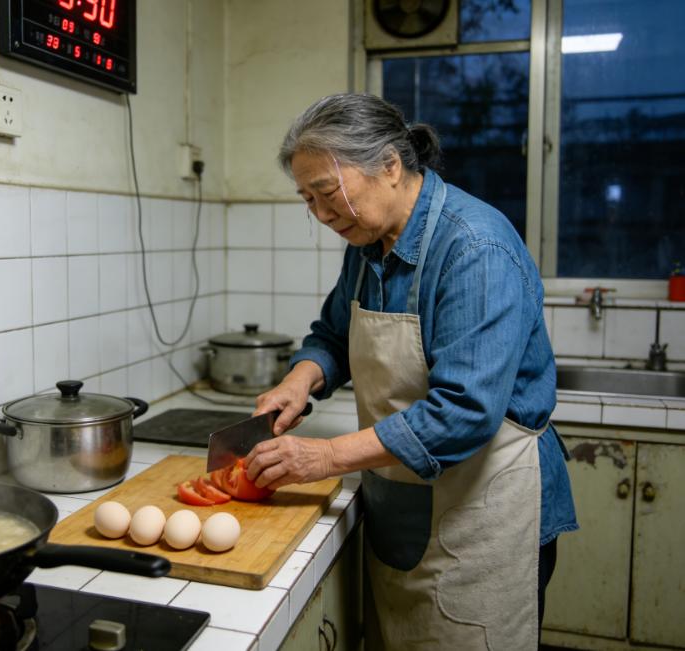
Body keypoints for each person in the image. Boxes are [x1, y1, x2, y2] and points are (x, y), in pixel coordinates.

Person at [243, 93, 578, 650]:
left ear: (390, 166)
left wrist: (323, 456)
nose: (322, 215)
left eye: (328, 193)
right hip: (404, 502)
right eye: (308, 200)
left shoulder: (474, 247)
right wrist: (299, 379)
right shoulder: (369, 241)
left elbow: (464, 412)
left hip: (485, 505)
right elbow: (333, 335)